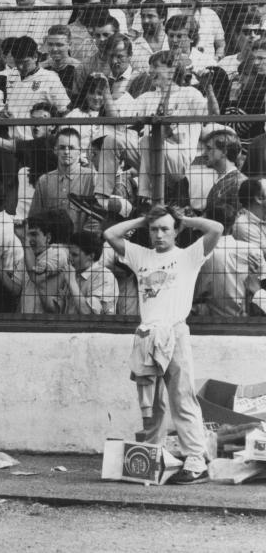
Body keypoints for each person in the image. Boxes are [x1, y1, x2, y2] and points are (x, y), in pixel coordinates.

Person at [104, 205, 223, 484]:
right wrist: (143, 220)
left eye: (165, 229)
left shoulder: (188, 256)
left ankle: (196, 460)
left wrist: (183, 219)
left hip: (174, 332)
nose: (159, 235)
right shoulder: (139, 254)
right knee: (152, 404)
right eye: (154, 229)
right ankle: (150, 458)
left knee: (182, 397)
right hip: (147, 335)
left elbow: (215, 229)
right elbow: (110, 233)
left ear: (175, 231)